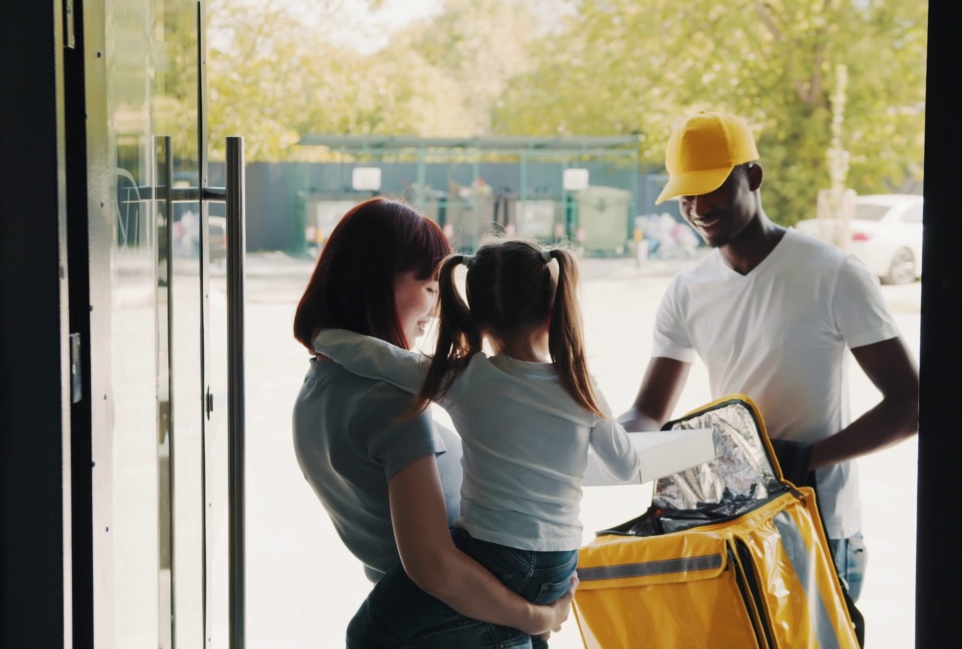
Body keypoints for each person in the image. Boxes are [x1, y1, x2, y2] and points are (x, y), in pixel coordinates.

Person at [619, 110, 920, 606]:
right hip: (736, 527)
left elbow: (910, 405)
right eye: (685, 195)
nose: (696, 207)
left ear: (753, 176)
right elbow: (646, 414)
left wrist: (803, 460)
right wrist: (597, 437)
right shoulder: (688, 290)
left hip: (821, 529)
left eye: (710, 187)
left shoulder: (833, 273)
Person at [316, 238, 641, 648]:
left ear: (477, 318)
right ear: (551, 311)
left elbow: (381, 358)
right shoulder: (579, 386)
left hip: (495, 557)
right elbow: (626, 466)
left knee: (369, 633)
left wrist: (323, 336)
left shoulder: (466, 378)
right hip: (560, 566)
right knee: (520, 628)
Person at [290, 199, 576, 648]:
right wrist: (539, 616)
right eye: (428, 287)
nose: (438, 307)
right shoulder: (392, 405)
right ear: (378, 285)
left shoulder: (318, 386)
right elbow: (434, 567)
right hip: (467, 620)